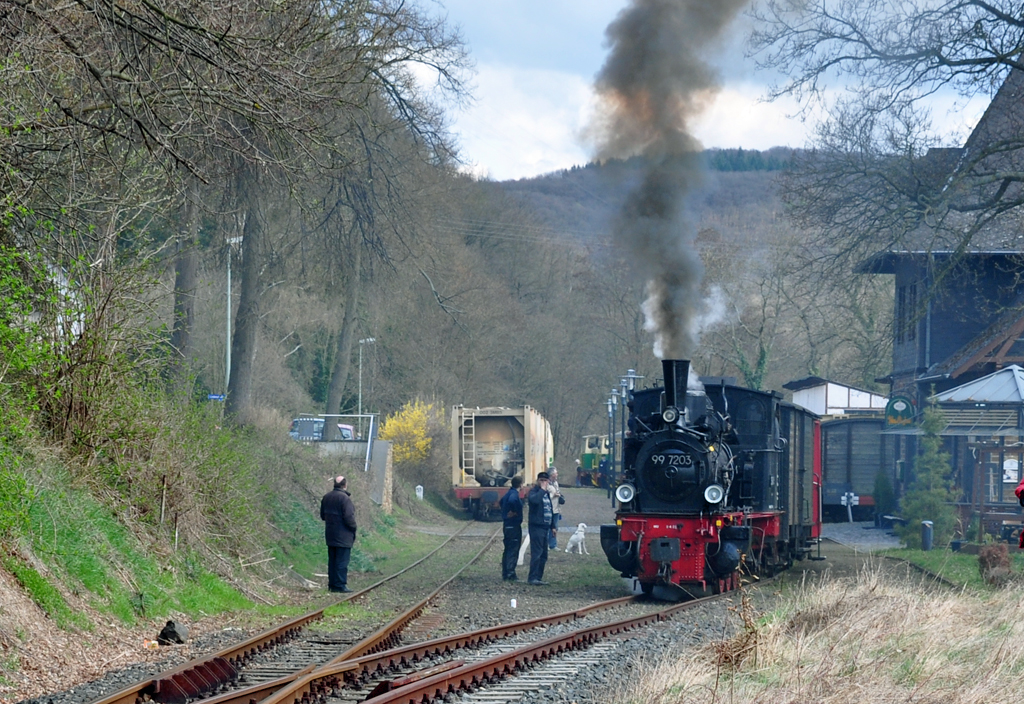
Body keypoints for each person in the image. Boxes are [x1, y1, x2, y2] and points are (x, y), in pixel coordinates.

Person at [320, 475, 357, 593]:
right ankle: (341, 585)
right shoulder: (345, 499)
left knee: (333, 561)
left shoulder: (326, 497)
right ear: (345, 485)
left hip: (330, 535)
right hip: (344, 536)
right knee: (342, 562)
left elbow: (322, 516)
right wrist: (353, 528)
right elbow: (349, 517)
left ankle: (332, 585)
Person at [527, 471, 554, 585]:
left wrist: (553, 526)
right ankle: (532, 577)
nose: (543, 483)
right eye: (541, 480)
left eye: (545, 481)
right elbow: (534, 501)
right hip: (536, 527)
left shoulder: (546, 493)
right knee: (537, 553)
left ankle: (539, 577)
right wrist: (542, 490)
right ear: (538, 481)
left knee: (544, 554)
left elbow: (549, 509)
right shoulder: (534, 492)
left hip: (545, 527)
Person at [499, 475, 524, 581]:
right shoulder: (514, 494)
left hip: (506, 524)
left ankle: (505, 572)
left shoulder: (508, 492)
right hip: (513, 525)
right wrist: (515, 511)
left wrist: (505, 511)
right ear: (521, 484)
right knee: (513, 549)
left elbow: (501, 501)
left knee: (507, 548)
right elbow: (512, 501)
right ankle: (510, 573)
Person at [547, 467, 564, 549]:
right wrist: (554, 495)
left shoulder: (556, 483)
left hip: (556, 509)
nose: (557, 474)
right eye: (555, 473)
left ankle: (553, 545)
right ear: (551, 475)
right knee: (547, 527)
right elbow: (546, 497)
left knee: (555, 527)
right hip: (549, 509)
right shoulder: (547, 485)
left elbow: (558, 492)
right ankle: (545, 544)